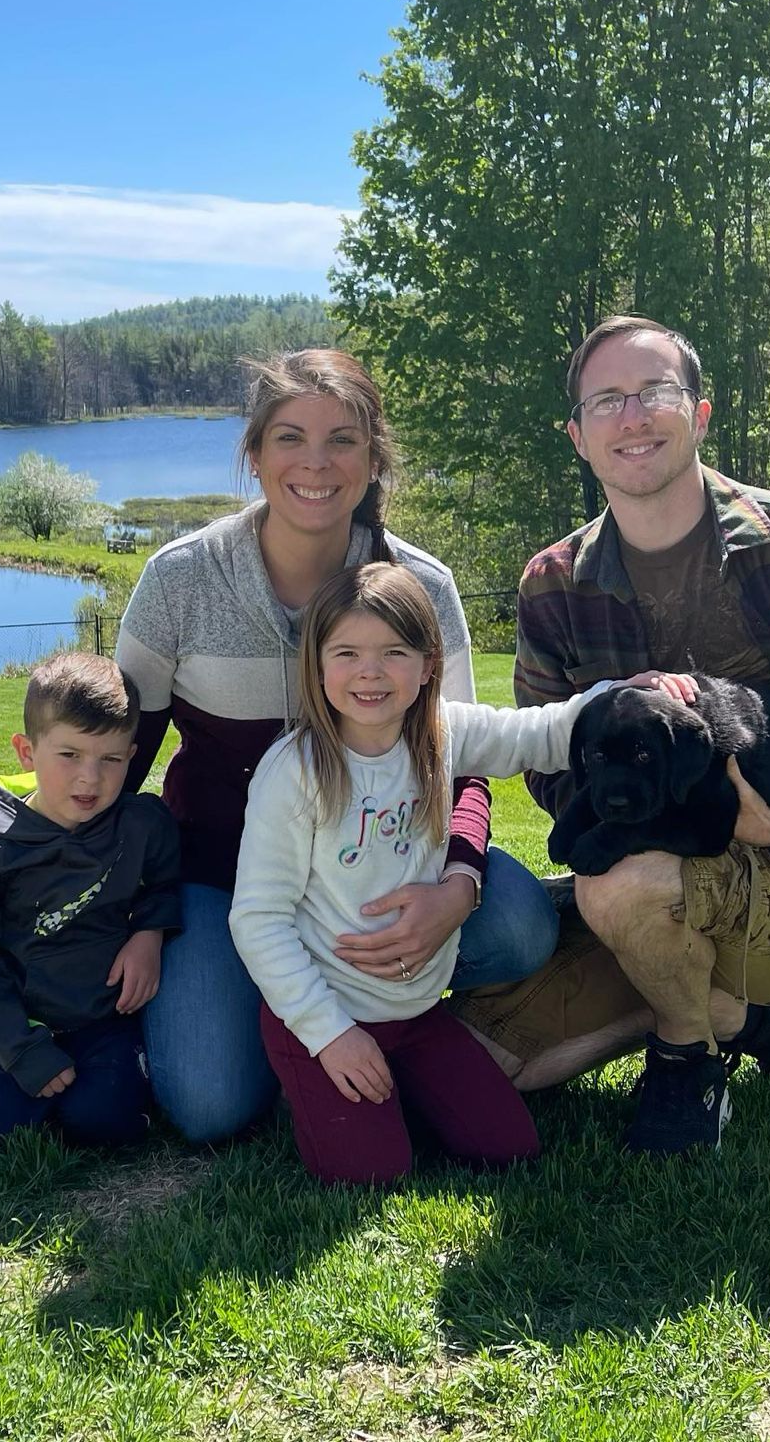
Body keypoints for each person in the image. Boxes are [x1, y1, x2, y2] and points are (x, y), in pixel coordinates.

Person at [453, 315, 770, 1157]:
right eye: (607, 400)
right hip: (660, 873)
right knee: (489, 1059)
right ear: (578, 437)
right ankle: (747, 1014)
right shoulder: (554, 584)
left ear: (698, 413)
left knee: (622, 890)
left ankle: (687, 1058)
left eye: (655, 391)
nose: (633, 416)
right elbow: (554, 765)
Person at [113, 349, 564, 1145]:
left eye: (343, 440)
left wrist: (457, 883)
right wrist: (121, 918)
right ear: (254, 455)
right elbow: (121, 767)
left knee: (520, 924)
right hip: (230, 883)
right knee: (211, 1106)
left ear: (374, 457)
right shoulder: (179, 580)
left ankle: (396, 1028)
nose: (315, 464)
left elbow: (456, 758)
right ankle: (283, 1022)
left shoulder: (421, 586)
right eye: (289, 438)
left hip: (387, 873)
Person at [228, 562, 696, 1183]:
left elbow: (541, 733)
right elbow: (258, 920)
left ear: (427, 666)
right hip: (327, 1012)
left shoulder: (442, 732)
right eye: (346, 653)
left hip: (417, 1011)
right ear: (316, 665)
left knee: (507, 1146)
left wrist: (621, 694)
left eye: (394, 652)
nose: (370, 672)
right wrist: (329, 1034)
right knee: (374, 1172)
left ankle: (392, 1088)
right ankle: (315, 1079)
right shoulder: (295, 772)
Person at [0, 653, 181, 1147]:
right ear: (27, 752)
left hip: (104, 1021)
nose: (89, 779)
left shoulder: (142, 824)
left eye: (111, 759)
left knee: (107, 1124)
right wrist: (19, 1049)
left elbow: (164, 883)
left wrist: (149, 933)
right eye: (69, 755)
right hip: (25, 1023)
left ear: (133, 755)